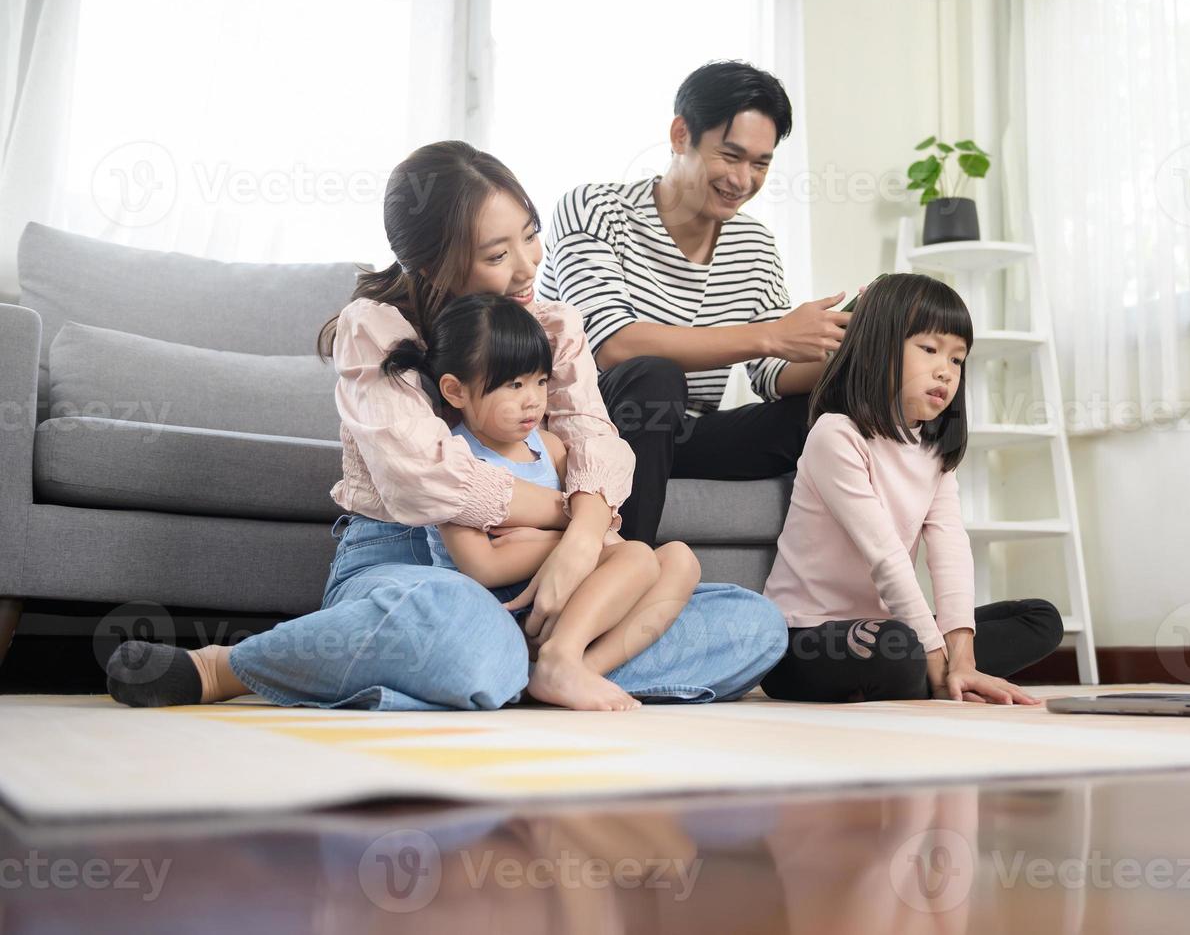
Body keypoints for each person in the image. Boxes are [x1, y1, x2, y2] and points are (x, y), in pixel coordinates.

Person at [105, 140, 787, 710]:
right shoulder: (374, 328)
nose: (527, 267)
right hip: (409, 562)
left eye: (530, 234)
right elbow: (421, 480)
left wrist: (581, 542)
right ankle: (231, 666)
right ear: (431, 262)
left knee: (753, 623)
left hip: (551, 574)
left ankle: (541, 664)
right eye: (497, 254)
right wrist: (565, 515)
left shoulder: (554, 326)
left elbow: (593, 440)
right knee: (460, 627)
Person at [541, 60, 852, 544]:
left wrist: (854, 345)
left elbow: (773, 374)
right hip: (595, 423)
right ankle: (623, 565)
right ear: (680, 134)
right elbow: (614, 345)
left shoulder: (753, 245)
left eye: (761, 164)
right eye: (730, 156)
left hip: (679, 433)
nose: (744, 179)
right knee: (655, 375)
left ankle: (834, 604)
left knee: (827, 408)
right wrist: (772, 334)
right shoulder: (595, 209)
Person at [383, 291, 700, 711]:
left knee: (680, 559)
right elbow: (482, 565)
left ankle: (576, 666)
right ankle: (559, 659)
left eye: (540, 381)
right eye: (514, 385)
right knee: (639, 559)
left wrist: (533, 537)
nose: (533, 399)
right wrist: (562, 539)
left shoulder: (550, 447)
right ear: (456, 391)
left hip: (568, 593)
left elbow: (602, 535)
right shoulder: (457, 461)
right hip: (508, 604)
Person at [759, 273, 1064, 704]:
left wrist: (960, 655)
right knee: (898, 650)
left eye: (957, 360)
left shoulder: (934, 450)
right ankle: (932, 675)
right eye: (929, 349)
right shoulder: (836, 434)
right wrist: (934, 656)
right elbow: (885, 555)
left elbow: (950, 547)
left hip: (889, 626)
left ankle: (952, 674)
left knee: (1040, 619)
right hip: (804, 639)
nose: (946, 370)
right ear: (877, 349)